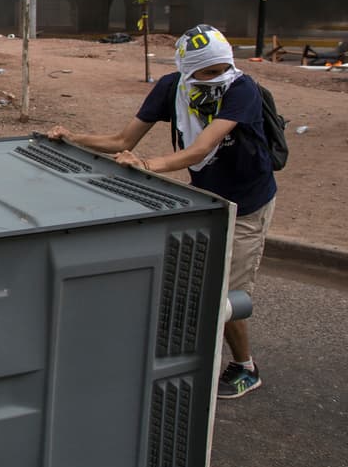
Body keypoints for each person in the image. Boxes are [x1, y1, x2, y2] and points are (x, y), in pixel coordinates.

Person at [48, 24, 276, 400]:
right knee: (196, 281)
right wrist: (72, 136)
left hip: (248, 204)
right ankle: (181, 357)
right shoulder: (173, 87)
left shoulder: (242, 89)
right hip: (206, 200)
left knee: (226, 294)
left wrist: (148, 166)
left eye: (222, 68)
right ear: (188, 70)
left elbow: (201, 148)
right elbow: (122, 141)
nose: (218, 77)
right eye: (208, 72)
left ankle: (245, 367)